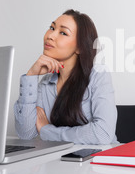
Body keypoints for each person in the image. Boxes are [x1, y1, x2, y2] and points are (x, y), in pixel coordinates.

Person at [14, 9, 118, 144]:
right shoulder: (45, 83)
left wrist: (47, 131)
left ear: (79, 47)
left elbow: (102, 134)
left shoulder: (98, 75)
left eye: (63, 33)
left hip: (99, 160)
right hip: (63, 162)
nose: (50, 35)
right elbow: (26, 134)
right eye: (52, 28)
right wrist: (31, 75)